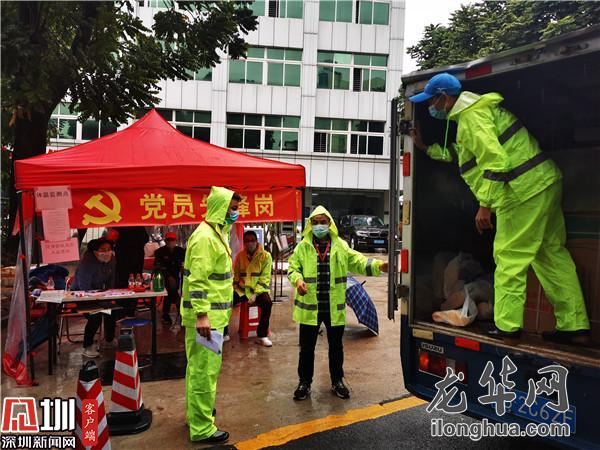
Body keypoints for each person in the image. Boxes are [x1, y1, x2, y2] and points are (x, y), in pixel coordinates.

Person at [409, 72, 590, 344]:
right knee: (552, 256)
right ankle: (575, 327)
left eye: (431, 102)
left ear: (444, 98)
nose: (430, 107)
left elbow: (496, 162)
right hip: (543, 183)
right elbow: (464, 156)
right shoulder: (477, 111)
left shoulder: (471, 117)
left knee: (508, 257)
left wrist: (485, 205)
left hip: (522, 191)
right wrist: (425, 148)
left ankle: (507, 327)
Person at [287, 206, 388, 401]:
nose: (319, 226)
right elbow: (293, 268)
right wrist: (298, 280)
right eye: (315, 222)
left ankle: (337, 381)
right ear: (310, 225)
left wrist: (379, 265)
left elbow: (358, 261)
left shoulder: (340, 246)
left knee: (336, 348)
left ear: (330, 223)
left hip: (333, 307)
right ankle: (304, 383)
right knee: (306, 349)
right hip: (310, 308)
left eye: (323, 222)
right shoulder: (302, 247)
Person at [180, 186, 241, 444]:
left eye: (237, 209)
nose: (235, 213)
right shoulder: (206, 237)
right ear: (220, 209)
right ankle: (203, 427)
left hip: (212, 318)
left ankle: (196, 416)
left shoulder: (216, 234)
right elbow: (198, 280)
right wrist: (202, 315)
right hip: (207, 320)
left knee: (197, 370)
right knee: (204, 372)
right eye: (232, 209)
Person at [71, 238, 117, 358]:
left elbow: (111, 278)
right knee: (95, 316)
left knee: (112, 311)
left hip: (100, 294)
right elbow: (84, 286)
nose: (106, 252)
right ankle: (88, 346)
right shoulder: (87, 263)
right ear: (94, 251)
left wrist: (109, 294)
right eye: (102, 249)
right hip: (81, 295)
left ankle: (109, 340)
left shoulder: (111, 259)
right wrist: (98, 299)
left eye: (109, 249)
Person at [229, 230, 273, 347]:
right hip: (242, 290)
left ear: (256, 241)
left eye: (252, 240)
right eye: (247, 241)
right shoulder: (240, 256)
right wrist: (235, 287)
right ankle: (223, 332)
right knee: (227, 300)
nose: (250, 243)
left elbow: (264, 279)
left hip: (258, 291)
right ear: (244, 242)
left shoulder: (265, 256)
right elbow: (236, 275)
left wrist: (256, 294)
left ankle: (262, 335)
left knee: (267, 303)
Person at [154, 231, 185, 324]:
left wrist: (183, 268)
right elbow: (158, 266)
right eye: (168, 239)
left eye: (172, 239)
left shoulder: (181, 251)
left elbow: (184, 263)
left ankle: (167, 313)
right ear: (165, 240)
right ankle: (178, 311)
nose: (170, 241)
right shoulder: (159, 252)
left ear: (176, 241)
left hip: (178, 276)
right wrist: (169, 277)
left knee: (172, 291)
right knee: (170, 290)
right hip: (163, 277)